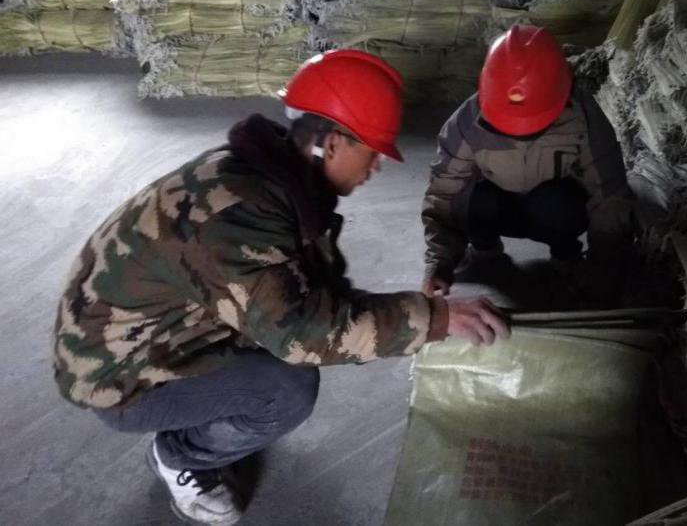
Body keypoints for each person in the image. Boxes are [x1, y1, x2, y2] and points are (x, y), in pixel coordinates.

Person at [53, 50, 510, 526]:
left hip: (159, 332)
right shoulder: (240, 213)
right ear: (332, 144)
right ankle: (179, 455)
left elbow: (321, 296)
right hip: (116, 377)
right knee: (286, 389)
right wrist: (435, 319)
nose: (376, 166)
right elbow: (305, 333)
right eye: (373, 152)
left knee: (285, 342)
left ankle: (199, 411)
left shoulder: (271, 181)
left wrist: (423, 318)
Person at [421, 25, 635, 302]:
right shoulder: (467, 121)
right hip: (496, 207)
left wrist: (604, 263)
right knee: (475, 198)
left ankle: (565, 254)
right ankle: (484, 249)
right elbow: (444, 193)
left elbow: (608, 191)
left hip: (552, 211)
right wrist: (440, 261)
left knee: (558, 202)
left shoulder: (583, 116)